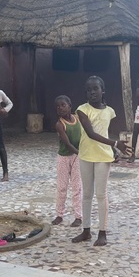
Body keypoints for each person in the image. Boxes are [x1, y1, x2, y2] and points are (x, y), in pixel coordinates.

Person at [72, 76, 132, 246]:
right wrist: (115, 144)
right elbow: (91, 134)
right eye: (88, 90)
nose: (92, 92)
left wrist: (112, 149)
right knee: (86, 194)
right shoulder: (82, 110)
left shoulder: (109, 111)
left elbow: (105, 132)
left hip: (103, 156)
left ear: (103, 90)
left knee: (101, 194)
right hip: (86, 155)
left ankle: (102, 232)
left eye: (95, 89)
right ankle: (86, 230)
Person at [52, 95, 83, 227]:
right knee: (62, 187)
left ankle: (78, 216)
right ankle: (59, 214)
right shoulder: (60, 124)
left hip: (77, 157)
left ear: (70, 106)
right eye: (57, 106)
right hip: (64, 157)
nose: (60, 108)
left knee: (77, 187)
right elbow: (68, 144)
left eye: (63, 105)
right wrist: (82, 154)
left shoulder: (78, 119)